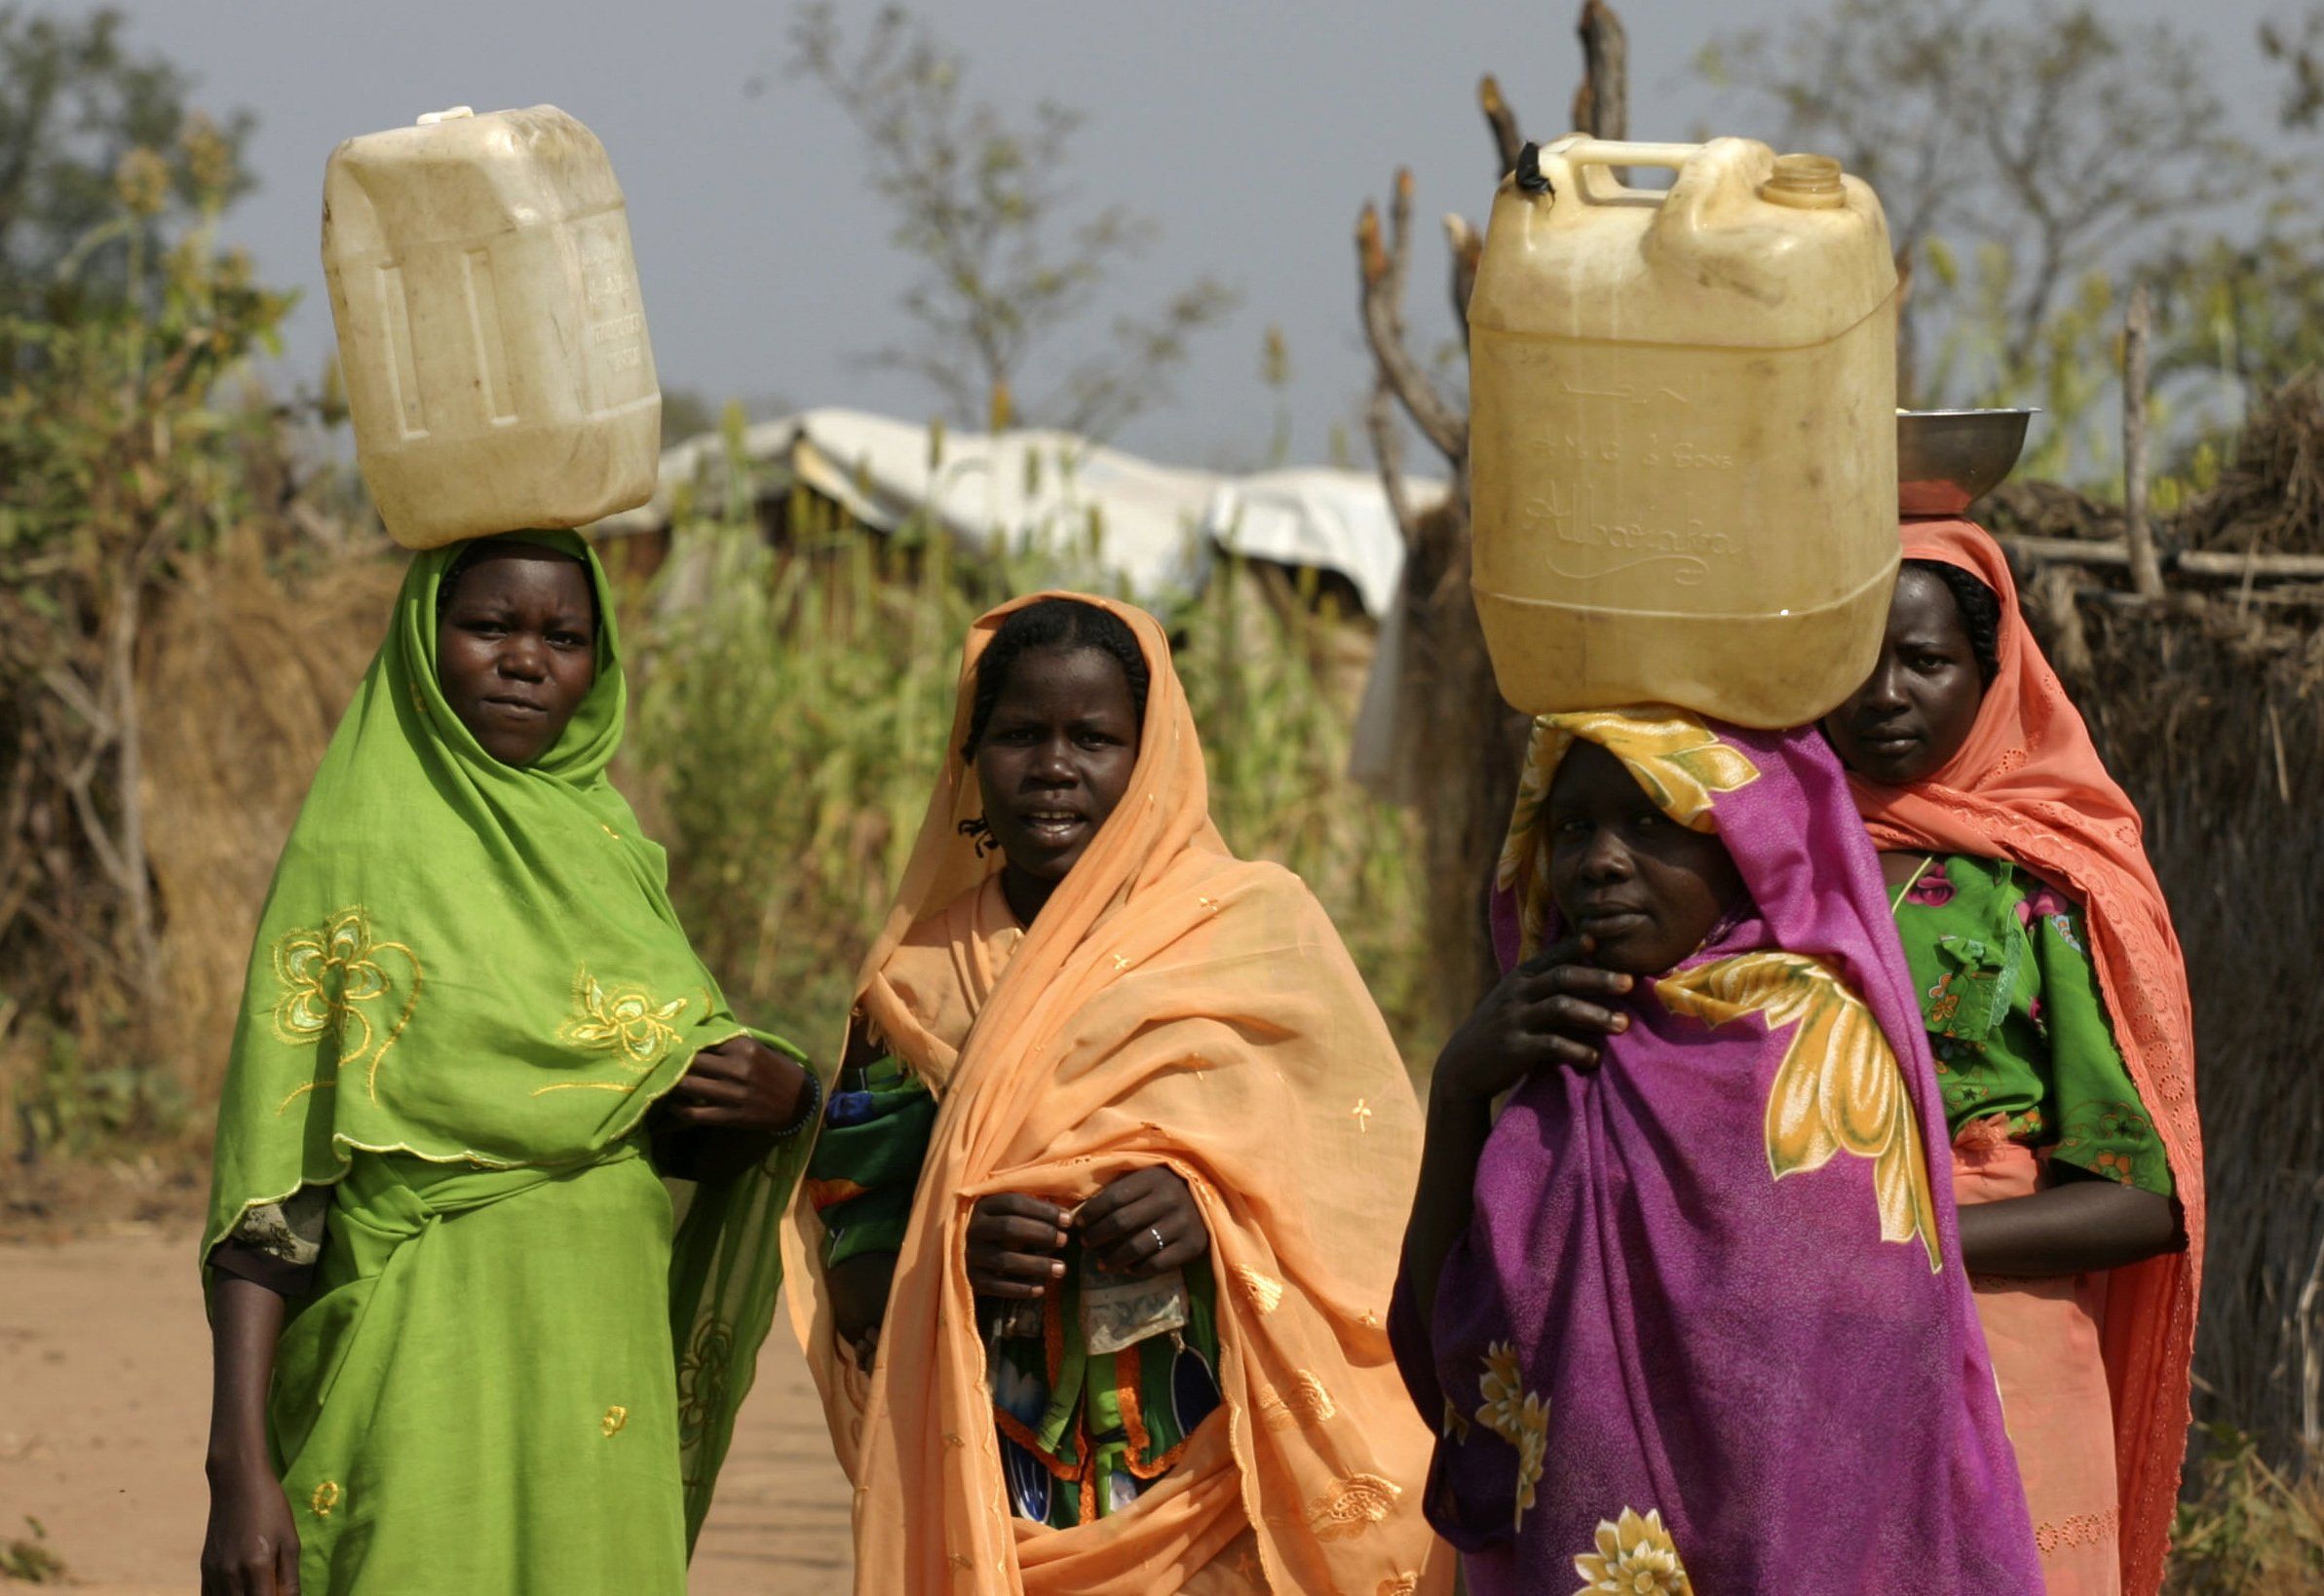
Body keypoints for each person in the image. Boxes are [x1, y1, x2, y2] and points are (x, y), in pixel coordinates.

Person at [782, 593, 1447, 1595]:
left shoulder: (1253, 935)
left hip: (1221, 1479)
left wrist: (1213, 1210)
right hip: (999, 1501)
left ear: (1155, 760)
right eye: (1018, 735)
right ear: (970, 757)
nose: (1054, 766)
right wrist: (954, 1249)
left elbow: (1366, 1190)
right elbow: (855, 1253)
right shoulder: (916, 984)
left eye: (1093, 737)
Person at [200, 533, 820, 1596]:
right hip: (421, 1359)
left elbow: (672, 1135)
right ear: (422, 638)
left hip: (597, 1359)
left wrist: (782, 1098)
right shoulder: (360, 852)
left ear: (599, 665)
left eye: (563, 637)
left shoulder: (609, 855)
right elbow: (272, 1197)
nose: (526, 660)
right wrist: (236, 1466)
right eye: (489, 625)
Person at [1392, 708, 2042, 1594]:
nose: (1600, 862)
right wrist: (1460, 1093)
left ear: (1749, 839)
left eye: (1654, 819)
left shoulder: (1807, 1053)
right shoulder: (1559, 1044)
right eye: (1572, 827)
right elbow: (1456, 1349)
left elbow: (1828, 1425)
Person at [1822, 518, 2200, 1596]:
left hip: (2005, 1352)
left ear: (1995, 677)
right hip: (1804, 1331)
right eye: (1851, 660)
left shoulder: (2043, 886)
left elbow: (2140, 1197)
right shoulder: (1763, 869)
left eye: (1927, 660)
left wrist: (1917, 1234)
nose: (1884, 692)